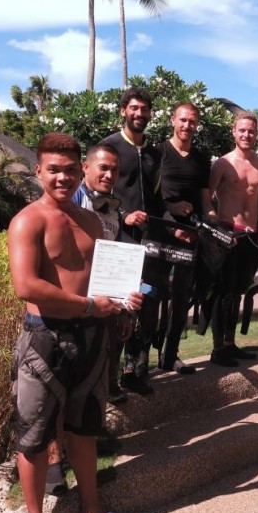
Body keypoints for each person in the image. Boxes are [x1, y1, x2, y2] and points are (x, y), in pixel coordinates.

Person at [8, 132, 143, 513]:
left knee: (85, 428)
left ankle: (93, 510)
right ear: (38, 171)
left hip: (91, 337)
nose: (62, 178)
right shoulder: (27, 221)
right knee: (33, 437)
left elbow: (102, 281)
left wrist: (122, 305)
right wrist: (88, 305)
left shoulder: (91, 221)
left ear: (79, 169)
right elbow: (26, 286)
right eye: (54, 170)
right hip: (44, 339)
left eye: (69, 170)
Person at [100, 87, 164, 395]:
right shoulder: (109, 147)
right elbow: (99, 190)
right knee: (118, 309)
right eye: (134, 108)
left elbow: (157, 196)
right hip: (119, 239)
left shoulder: (154, 153)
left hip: (150, 242)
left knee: (147, 307)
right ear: (124, 110)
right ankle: (109, 381)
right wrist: (122, 213)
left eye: (145, 109)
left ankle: (136, 372)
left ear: (150, 113)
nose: (140, 114)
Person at [204, 112, 258, 367]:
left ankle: (231, 344)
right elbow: (207, 197)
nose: (246, 135)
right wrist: (214, 228)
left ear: (256, 134)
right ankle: (217, 347)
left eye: (251, 131)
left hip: (251, 236)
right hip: (226, 234)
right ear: (234, 131)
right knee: (222, 292)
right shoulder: (222, 164)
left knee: (238, 292)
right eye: (242, 130)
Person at [155, 102, 212, 374]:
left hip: (190, 237)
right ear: (172, 120)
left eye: (192, 121)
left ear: (197, 125)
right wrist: (171, 213)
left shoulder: (202, 159)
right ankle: (138, 361)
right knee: (151, 298)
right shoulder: (157, 153)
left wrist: (213, 229)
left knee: (181, 300)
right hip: (159, 234)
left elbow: (204, 201)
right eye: (183, 120)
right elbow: (150, 199)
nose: (187, 125)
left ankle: (171, 355)